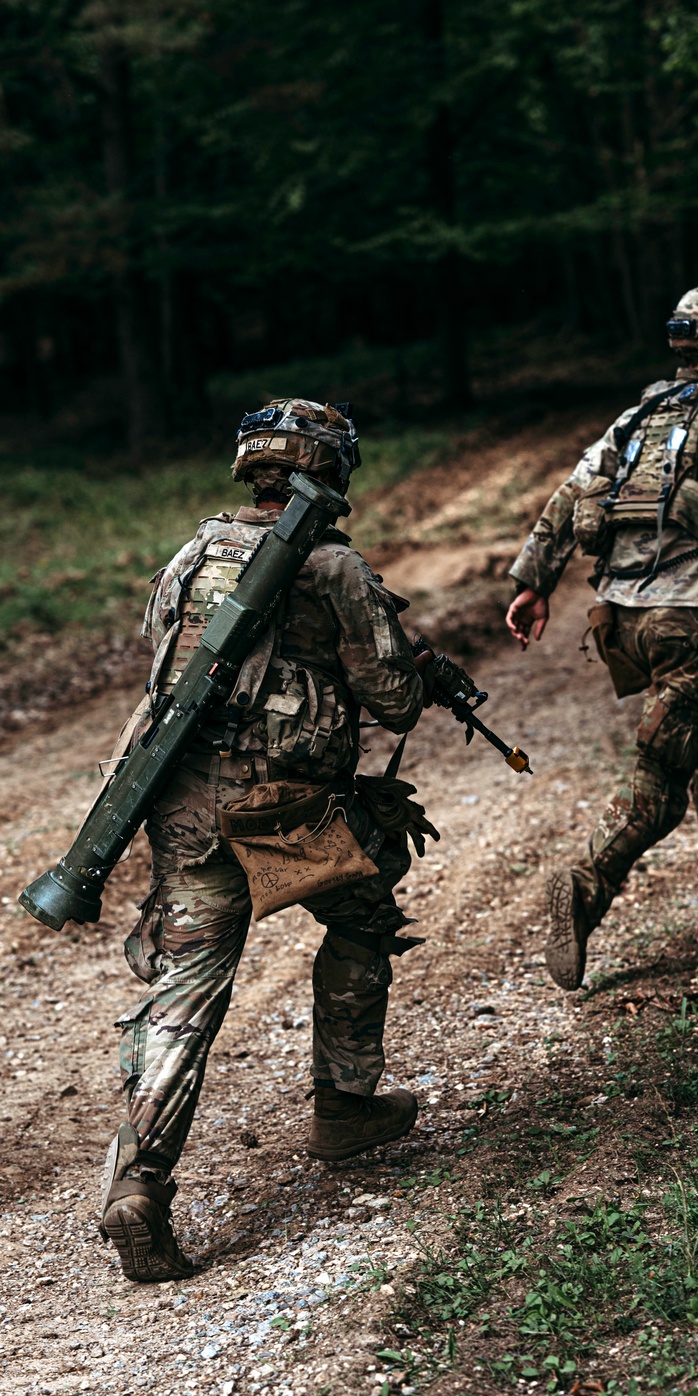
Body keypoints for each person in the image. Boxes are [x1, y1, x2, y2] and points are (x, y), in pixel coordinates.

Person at [101, 398, 433, 1282]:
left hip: (185, 810)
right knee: (363, 910)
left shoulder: (190, 553)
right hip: (287, 816)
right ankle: (343, 1104)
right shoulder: (331, 565)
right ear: (331, 470)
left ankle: (138, 1184)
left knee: (185, 995)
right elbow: (393, 700)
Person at [506, 282, 698, 991]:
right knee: (660, 782)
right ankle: (582, 888)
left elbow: (568, 495)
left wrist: (532, 579)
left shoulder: (637, 415)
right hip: (692, 623)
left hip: (622, 621)